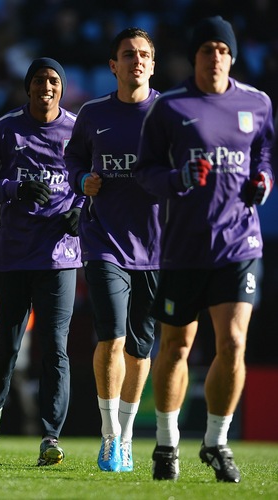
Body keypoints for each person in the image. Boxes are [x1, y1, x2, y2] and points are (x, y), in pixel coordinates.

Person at [135, 16, 274, 483]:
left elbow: (265, 153)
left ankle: (216, 442)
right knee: (177, 346)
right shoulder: (170, 109)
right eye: (206, 49)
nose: (214, 56)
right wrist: (176, 180)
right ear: (194, 56)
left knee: (234, 342)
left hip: (239, 242)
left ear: (232, 56)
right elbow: (145, 172)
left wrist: (265, 179)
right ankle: (167, 445)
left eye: (222, 49)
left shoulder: (257, 103)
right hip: (183, 248)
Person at [0, 57, 83, 466]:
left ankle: (50, 437)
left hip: (61, 256)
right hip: (12, 256)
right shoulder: (6, 129)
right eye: (39, 80)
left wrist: (83, 207)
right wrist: (13, 188)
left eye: (53, 81)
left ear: (61, 89)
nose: (47, 87)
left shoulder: (79, 130)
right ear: (27, 87)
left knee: (55, 348)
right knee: (8, 345)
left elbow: (96, 180)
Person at [64, 27, 161, 472]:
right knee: (112, 336)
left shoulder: (169, 112)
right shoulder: (93, 113)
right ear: (113, 65)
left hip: (158, 247)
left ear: (153, 64)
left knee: (140, 349)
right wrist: (82, 180)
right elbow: (73, 161)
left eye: (143, 55)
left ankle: (126, 434)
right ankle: (109, 437)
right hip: (103, 240)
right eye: (128, 54)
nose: (136, 61)